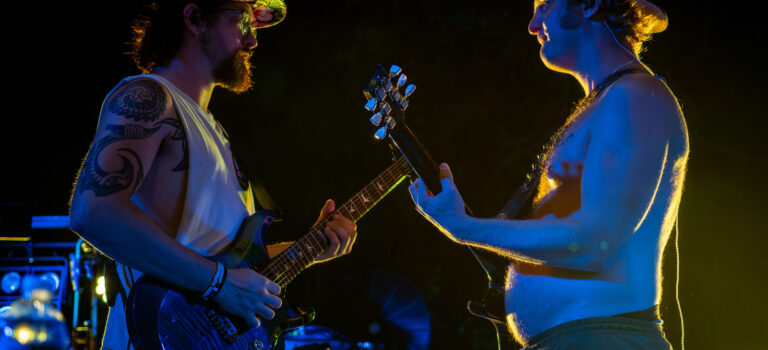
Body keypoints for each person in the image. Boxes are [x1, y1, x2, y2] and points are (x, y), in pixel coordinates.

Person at [68, 1, 357, 349]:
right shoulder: (149, 96)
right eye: (243, 22)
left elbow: (222, 254)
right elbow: (93, 212)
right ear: (194, 18)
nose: (252, 42)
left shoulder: (214, 130)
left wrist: (309, 248)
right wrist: (219, 284)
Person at [409, 0, 688, 348]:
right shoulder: (610, 101)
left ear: (589, 4)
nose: (532, 24)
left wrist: (465, 227)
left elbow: (593, 245)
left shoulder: (636, 97)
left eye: (543, 5)